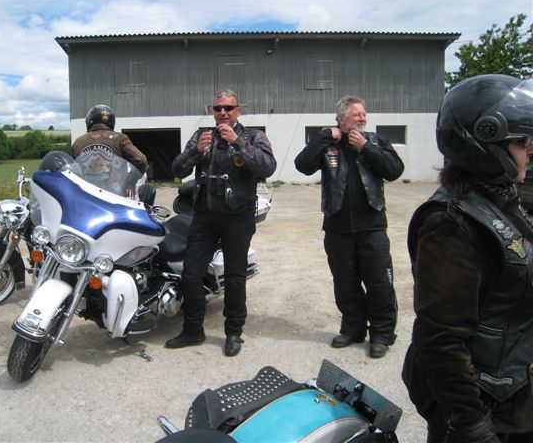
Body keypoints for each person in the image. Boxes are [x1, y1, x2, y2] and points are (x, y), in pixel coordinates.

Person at [403, 74, 533, 443]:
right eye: (522, 141)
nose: (530, 150)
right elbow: (441, 341)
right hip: (485, 408)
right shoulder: (451, 225)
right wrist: (473, 427)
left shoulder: (501, 199)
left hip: (513, 395)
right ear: (486, 143)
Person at [165, 89, 277, 356]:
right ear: (212, 111)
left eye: (228, 108)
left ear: (238, 111)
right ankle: (193, 330)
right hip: (204, 216)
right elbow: (177, 170)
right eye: (217, 108)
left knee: (235, 277)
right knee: (191, 273)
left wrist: (238, 143)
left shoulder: (253, 136)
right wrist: (196, 152)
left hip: (237, 217)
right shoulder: (202, 136)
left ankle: (234, 332)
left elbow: (267, 167)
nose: (223, 113)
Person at [294, 95, 404, 358]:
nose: (362, 118)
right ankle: (353, 329)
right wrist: (324, 136)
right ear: (341, 119)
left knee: (379, 282)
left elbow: (394, 170)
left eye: (364, 114)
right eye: (356, 115)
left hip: (372, 227)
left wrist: (365, 147)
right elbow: (302, 165)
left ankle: (382, 334)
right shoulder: (328, 145)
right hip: (337, 227)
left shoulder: (376, 141)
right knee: (345, 282)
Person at [72, 104, 148, 175]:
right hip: (114, 185)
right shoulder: (120, 138)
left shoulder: (78, 142)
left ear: (89, 121)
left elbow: (71, 168)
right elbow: (141, 160)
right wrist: (128, 181)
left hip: (84, 185)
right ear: (112, 122)